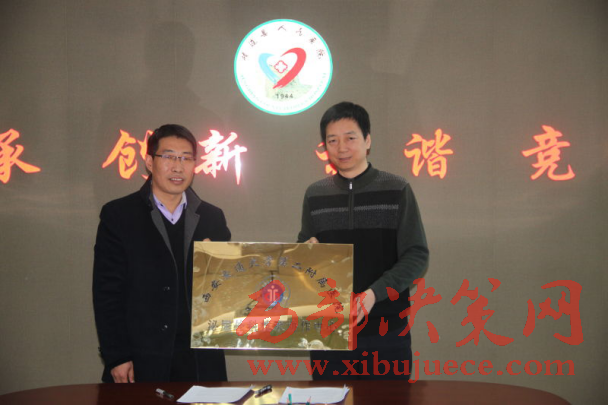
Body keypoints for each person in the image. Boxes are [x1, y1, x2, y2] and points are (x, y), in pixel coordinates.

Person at [297, 102, 429, 379]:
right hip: (329, 331)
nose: (341, 148)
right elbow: (304, 250)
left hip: (386, 330)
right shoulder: (315, 194)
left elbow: (416, 255)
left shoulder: (396, 189)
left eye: (350, 138)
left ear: (367, 141)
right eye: (332, 140)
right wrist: (306, 251)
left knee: (388, 399)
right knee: (329, 397)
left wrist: (374, 294)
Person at [93, 124, 230, 383]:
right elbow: (107, 292)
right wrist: (117, 355)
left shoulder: (212, 218)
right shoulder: (119, 215)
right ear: (149, 162)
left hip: (199, 359)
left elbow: (226, 289)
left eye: (186, 158)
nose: (178, 167)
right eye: (168, 157)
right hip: (142, 357)